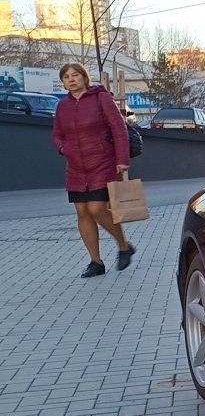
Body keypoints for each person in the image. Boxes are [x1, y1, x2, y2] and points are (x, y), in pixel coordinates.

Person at [51, 63, 136, 278]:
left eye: (75, 75)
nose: (71, 80)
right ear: (63, 82)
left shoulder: (101, 98)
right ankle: (96, 262)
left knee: (97, 209)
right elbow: (57, 134)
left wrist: (122, 159)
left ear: (84, 78)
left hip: (103, 162)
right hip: (76, 167)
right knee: (82, 212)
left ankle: (124, 246)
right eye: (66, 77)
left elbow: (119, 128)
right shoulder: (62, 107)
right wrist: (63, 148)